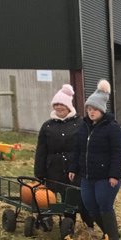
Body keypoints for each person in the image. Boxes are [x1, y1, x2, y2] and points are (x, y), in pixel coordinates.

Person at [68, 81, 121, 240]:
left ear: (102, 110)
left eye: (95, 109)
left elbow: (117, 153)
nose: (91, 112)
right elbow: (78, 149)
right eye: (89, 109)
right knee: (90, 205)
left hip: (105, 176)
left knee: (104, 205)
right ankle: (108, 232)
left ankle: (113, 238)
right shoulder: (84, 127)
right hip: (87, 175)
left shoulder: (112, 128)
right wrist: (73, 167)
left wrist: (114, 174)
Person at [32, 83, 90, 231]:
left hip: (73, 168)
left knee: (71, 197)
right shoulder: (48, 126)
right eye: (56, 104)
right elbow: (41, 150)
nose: (58, 107)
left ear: (69, 106)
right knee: (49, 196)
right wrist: (39, 171)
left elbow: (85, 148)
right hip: (53, 168)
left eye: (61, 104)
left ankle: (70, 223)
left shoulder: (80, 124)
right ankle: (46, 219)